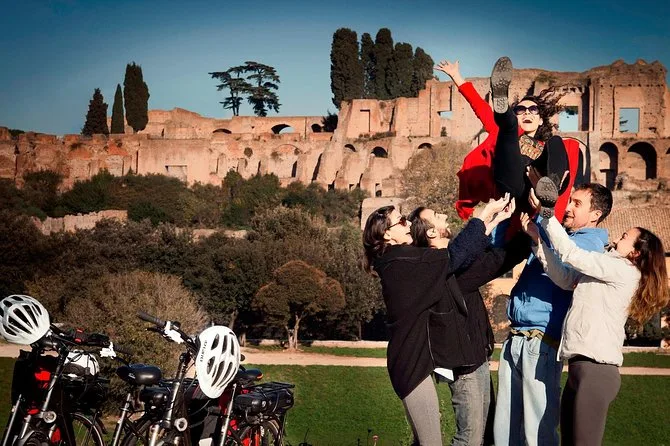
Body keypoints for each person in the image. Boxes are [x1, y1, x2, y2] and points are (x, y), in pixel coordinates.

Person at [520, 178, 670, 446]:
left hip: (596, 372)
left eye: (624, 238)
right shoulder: (606, 267)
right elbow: (565, 277)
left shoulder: (623, 270)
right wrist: (537, 241)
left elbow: (571, 254)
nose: (617, 238)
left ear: (635, 253)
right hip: (580, 368)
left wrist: (547, 213)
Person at [361, 196, 513, 446]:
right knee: (430, 442)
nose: (409, 224)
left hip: (416, 361)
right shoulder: (400, 263)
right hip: (412, 365)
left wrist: (491, 220)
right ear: (387, 234)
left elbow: (458, 257)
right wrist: (484, 215)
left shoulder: (403, 258)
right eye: (401, 221)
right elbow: (452, 257)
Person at [495, 181, 611, 446]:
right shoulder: (562, 236)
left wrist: (541, 226)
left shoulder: (591, 243)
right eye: (569, 201)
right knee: (505, 428)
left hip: (541, 342)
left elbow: (563, 269)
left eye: (577, 204)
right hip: (517, 337)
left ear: (596, 214)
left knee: (538, 432)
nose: (567, 207)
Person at [407, 206, 531, 445]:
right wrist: (529, 234)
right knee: (470, 438)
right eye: (437, 216)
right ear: (431, 233)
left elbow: (472, 250)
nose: (444, 215)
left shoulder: (448, 264)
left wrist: (497, 220)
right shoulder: (442, 271)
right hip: (464, 366)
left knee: (482, 436)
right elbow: (494, 261)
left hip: (474, 358)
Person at [434, 58, 585, 226]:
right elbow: (479, 105)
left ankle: (550, 192)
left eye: (533, 109)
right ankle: (502, 106)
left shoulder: (546, 147)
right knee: (509, 129)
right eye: (520, 110)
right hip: (510, 185)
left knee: (557, 141)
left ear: (541, 120)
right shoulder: (504, 130)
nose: (527, 112)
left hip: (535, 192)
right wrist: (456, 76)